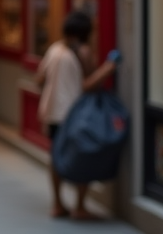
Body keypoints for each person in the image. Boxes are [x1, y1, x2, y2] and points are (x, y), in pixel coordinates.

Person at [37, 11, 117, 221]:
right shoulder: (83, 51)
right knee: (84, 156)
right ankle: (80, 205)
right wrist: (108, 69)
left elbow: (39, 79)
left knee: (56, 156)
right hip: (76, 114)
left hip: (53, 111)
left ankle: (57, 203)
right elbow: (88, 85)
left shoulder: (54, 49)